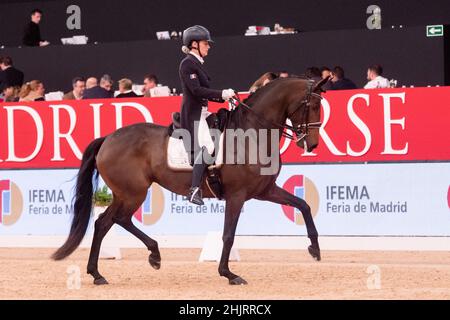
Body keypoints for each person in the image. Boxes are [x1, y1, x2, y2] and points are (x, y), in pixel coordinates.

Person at [179, 25, 236, 205]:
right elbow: (196, 90)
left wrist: (226, 98)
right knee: (208, 146)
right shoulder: (187, 63)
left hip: (203, 112)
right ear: (194, 44)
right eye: (206, 43)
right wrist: (222, 94)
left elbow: (205, 91)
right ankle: (194, 189)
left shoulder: (197, 64)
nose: (209, 46)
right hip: (194, 115)